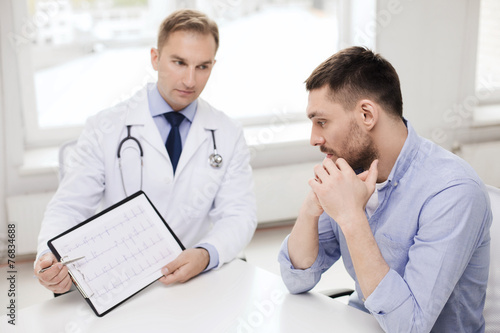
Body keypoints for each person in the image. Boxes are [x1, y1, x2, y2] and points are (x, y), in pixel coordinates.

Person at [35, 9, 257, 294]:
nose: (190, 80)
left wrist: (206, 254)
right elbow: (70, 206)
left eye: (202, 67)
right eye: (179, 62)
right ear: (155, 58)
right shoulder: (105, 127)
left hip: (195, 278)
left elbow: (239, 214)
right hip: (121, 278)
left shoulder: (227, 132)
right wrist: (49, 256)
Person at [278, 46, 492, 332]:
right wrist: (310, 208)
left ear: (367, 114)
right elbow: (297, 279)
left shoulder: (452, 192)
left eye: (322, 122)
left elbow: (410, 326)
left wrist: (352, 218)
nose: (314, 138)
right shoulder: (351, 169)